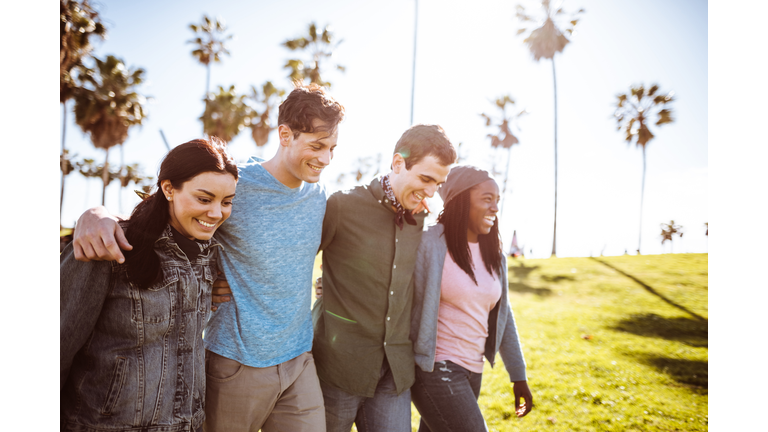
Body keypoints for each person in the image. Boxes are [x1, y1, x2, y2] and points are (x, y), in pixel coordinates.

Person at [70, 83, 346, 432]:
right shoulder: (233, 183)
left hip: (298, 359)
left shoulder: (319, 196)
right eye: (317, 146)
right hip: (236, 361)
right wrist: (96, 214)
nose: (326, 159)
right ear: (285, 135)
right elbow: (163, 215)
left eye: (333, 149)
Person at [61, 138, 239, 432]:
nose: (216, 213)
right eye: (204, 199)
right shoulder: (109, 245)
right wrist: (93, 214)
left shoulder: (210, 257)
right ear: (169, 189)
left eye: (227, 202)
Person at [313, 124, 457, 432]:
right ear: (398, 163)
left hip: (394, 374)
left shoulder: (420, 218)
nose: (431, 192)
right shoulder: (341, 206)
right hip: (338, 369)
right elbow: (295, 262)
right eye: (425, 178)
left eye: (438, 183)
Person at [409, 165, 533, 431]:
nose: (495, 208)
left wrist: (518, 375)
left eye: (497, 201)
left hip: (472, 369)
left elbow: (503, 315)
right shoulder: (430, 243)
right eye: (487, 199)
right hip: (435, 368)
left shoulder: (495, 255)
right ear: (461, 200)